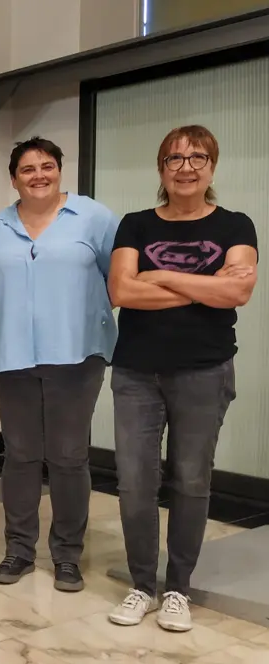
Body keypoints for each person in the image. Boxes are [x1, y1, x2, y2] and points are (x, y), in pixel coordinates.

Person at [107, 125, 257, 632]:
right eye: (174, 159)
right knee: (134, 483)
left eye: (197, 157)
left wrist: (163, 276)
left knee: (192, 482)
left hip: (204, 371)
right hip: (135, 372)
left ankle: (178, 589)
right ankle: (142, 585)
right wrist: (207, 286)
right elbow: (122, 291)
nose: (185, 166)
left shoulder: (236, 225)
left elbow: (238, 293)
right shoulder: (136, 224)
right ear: (161, 169)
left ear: (212, 166)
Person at [0, 137, 119, 593]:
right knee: (20, 456)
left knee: (67, 456)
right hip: (13, 354)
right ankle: (18, 550)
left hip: (76, 355)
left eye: (47, 166)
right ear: (14, 178)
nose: (38, 175)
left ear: (60, 170)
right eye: (27, 169)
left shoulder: (94, 218)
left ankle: (66, 555)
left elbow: (118, 279)